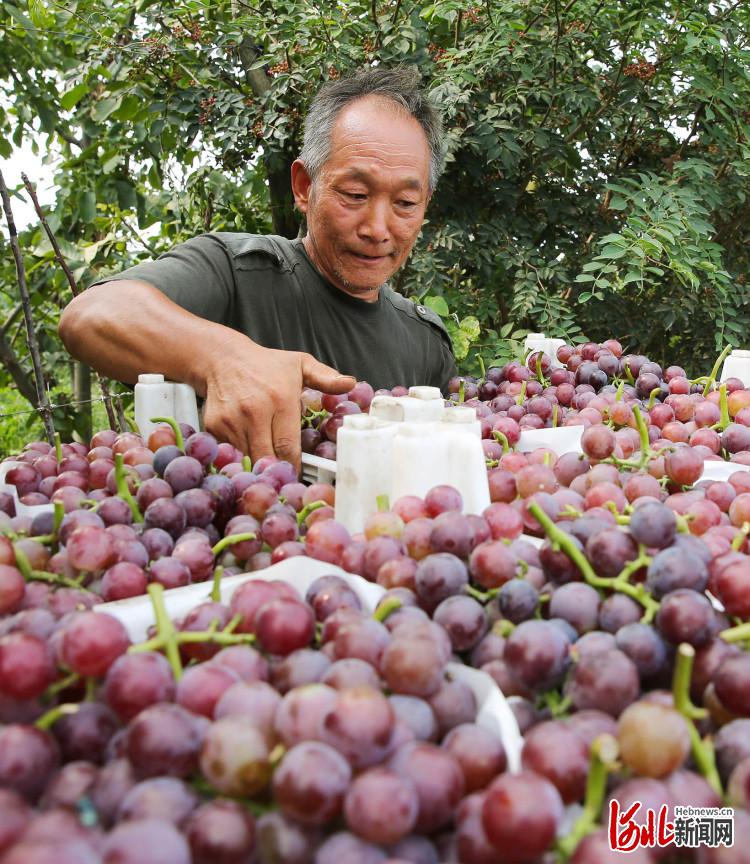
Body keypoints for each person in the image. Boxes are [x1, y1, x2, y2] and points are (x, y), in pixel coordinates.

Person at [59, 66, 457, 468]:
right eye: (355, 194)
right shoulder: (235, 273)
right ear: (304, 187)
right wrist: (222, 359)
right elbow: (90, 316)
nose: (377, 229)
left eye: (405, 203)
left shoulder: (425, 343)